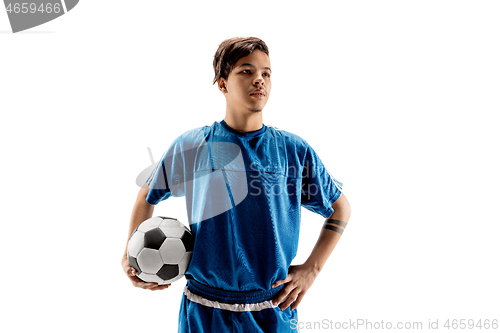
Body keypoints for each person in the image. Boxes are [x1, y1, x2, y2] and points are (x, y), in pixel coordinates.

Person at [121, 37, 352, 333]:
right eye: (246, 71)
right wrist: (130, 253)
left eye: (266, 73)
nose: (259, 79)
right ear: (222, 83)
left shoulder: (293, 150)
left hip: (271, 309)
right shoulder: (193, 145)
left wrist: (312, 269)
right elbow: (147, 195)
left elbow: (340, 207)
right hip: (205, 309)